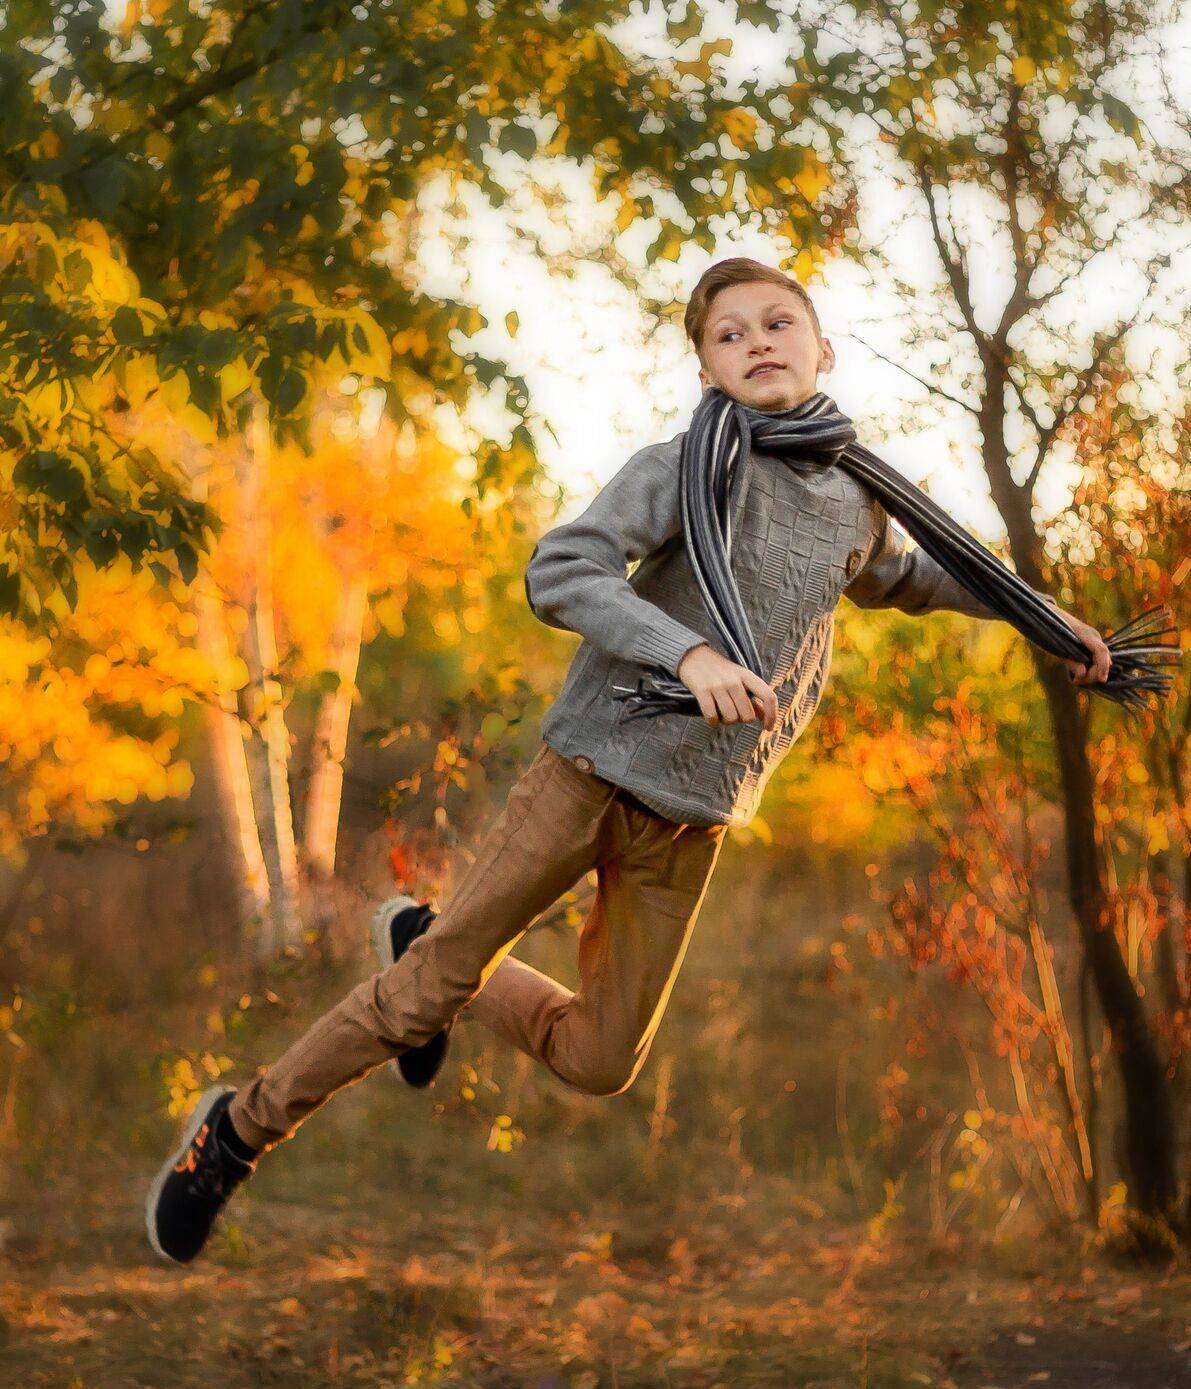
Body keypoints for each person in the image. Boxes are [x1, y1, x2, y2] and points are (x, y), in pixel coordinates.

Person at [146, 256, 1111, 1265]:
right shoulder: (683, 468)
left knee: (601, 1060)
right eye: (729, 335)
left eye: (778, 322)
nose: (758, 341)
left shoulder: (859, 501)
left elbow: (904, 581)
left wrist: (1039, 621)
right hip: (587, 774)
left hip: (692, 816)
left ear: (824, 349)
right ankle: (238, 1131)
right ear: (707, 372)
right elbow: (560, 568)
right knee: (418, 999)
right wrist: (685, 652)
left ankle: (439, 945)